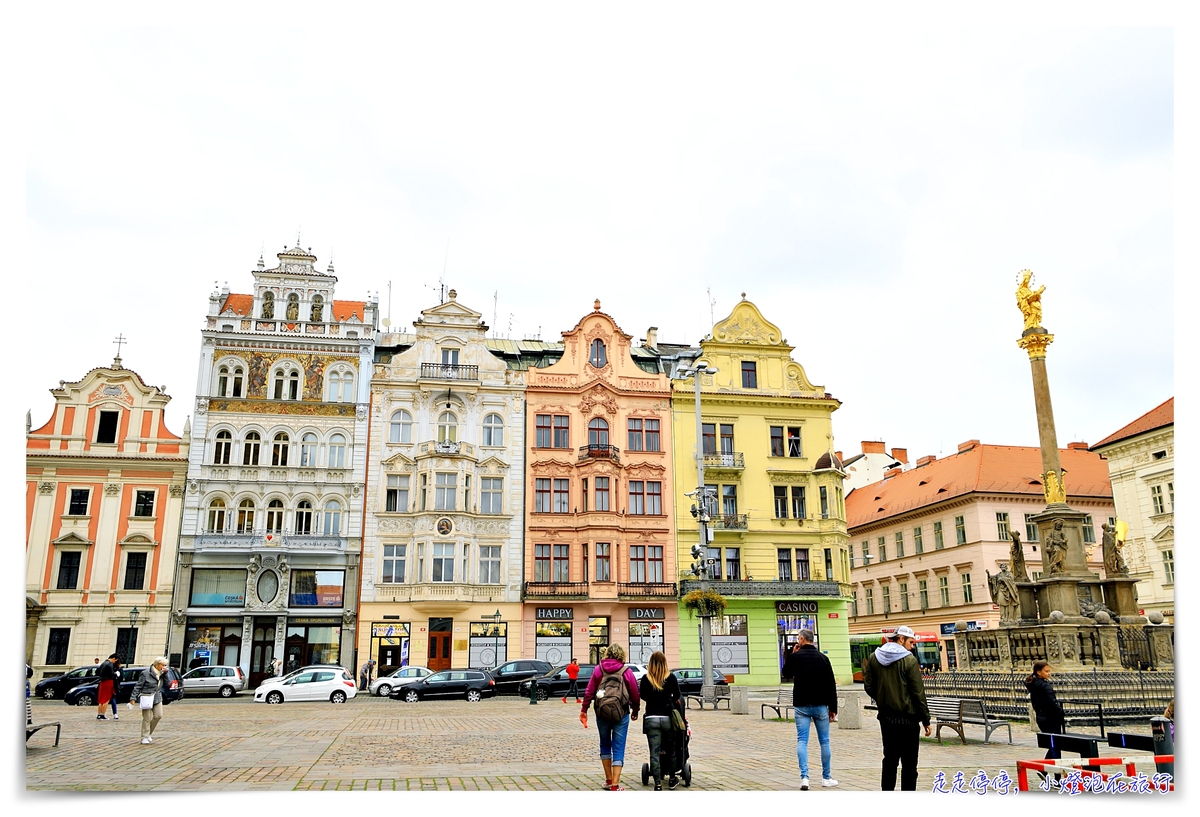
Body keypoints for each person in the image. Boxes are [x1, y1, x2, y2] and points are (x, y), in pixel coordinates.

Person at [862, 625, 931, 791]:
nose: (912, 646)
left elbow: (868, 686)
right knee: (909, 763)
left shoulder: (874, 657)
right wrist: (925, 719)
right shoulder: (909, 660)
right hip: (908, 719)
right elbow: (917, 693)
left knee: (890, 760)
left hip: (886, 718)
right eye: (911, 642)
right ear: (901, 639)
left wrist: (882, 697)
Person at [782, 628, 838, 789]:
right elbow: (831, 684)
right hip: (820, 705)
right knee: (825, 741)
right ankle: (826, 778)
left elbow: (786, 673)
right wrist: (833, 708)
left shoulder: (796, 657)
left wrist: (792, 654)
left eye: (798, 639)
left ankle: (804, 778)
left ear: (801, 639)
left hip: (801, 706)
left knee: (802, 741)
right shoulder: (823, 658)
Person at [580, 644, 641, 791]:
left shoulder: (598, 669)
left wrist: (584, 709)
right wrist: (635, 710)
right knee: (618, 747)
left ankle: (608, 780)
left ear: (607, 654)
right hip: (621, 713)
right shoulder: (626, 671)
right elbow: (634, 693)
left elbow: (589, 691)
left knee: (605, 744)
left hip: (602, 713)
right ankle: (615, 785)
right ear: (622, 655)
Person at [637, 651, 685, 790]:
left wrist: (654, 699)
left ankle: (657, 784)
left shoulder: (646, 679)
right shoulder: (670, 678)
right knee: (670, 750)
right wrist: (667, 699)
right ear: (665, 662)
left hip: (651, 717)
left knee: (654, 752)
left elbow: (643, 696)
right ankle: (671, 779)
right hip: (667, 718)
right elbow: (677, 695)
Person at [128, 657, 170, 745]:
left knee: (158, 715)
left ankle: (148, 733)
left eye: (165, 665)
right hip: (147, 696)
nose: (164, 667)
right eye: (162, 665)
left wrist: (165, 674)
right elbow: (138, 686)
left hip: (157, 697)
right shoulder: (146, 673)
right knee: (147, 718)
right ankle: (144, 736)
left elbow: (167, 683)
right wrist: (133, 698)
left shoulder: (162, 674)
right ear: (156, 665)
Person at [96, 653, 118, 720]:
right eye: (115, 660)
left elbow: (98, 672)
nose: (115, 662)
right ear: (113, 658)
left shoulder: (103, 663)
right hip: (108, 681)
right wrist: (115, 674)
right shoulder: (110, 664)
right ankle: (102, 714)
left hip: (102, 681)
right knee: (106, 699)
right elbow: (111, 674)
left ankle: (99, 714)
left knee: (101, 699)